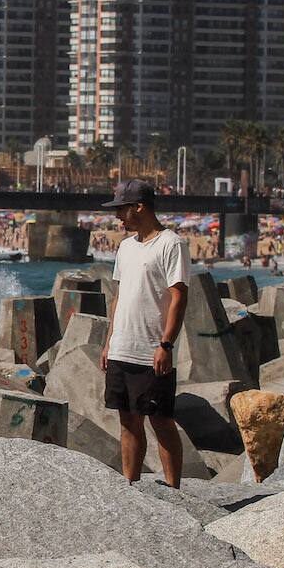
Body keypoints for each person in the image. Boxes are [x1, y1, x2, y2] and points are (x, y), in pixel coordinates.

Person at [99, 179, 191, 488]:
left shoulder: (171, 244)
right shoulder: (125, 247)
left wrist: (166, 344)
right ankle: (131, 486)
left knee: (161, 421)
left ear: (139, 207)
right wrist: (109, 342)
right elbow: (120, 297)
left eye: (121, 210)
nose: (117, 217)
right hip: (121, 347)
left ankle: (175, 489)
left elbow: (179, 297)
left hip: (152, 350)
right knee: (127, 422)